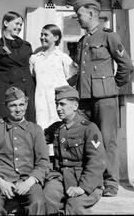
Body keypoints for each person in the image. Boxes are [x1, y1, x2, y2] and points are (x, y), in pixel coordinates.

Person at [72, 0, 134, 197]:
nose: (78, 19)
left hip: (105, 99)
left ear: (91, 14)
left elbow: (126, 65)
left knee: (107, 141)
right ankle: (91, 181)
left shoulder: (109, 36)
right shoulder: (82, 41)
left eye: (79, 15)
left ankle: (111, 184)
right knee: (85, 139)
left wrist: (113, 86)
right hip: (84, 99)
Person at [0, 86, 49, 215]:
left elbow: (43, 162)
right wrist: (0, 182)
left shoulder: (35, 130)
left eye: (21, 104)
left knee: (38, 202)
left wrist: (29, 182)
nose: (18, 109)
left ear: (26, 105)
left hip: (28, 180)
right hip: (0, 181)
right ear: (6, 106)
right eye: (13, 105)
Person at [43, 85, 106, 215]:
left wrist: (83, 188)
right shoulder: (56, 128)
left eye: (62, 104)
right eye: (56, 104)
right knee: (46, 197)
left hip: (86, 182)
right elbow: (35, 139)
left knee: (74, 206)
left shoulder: (89, 128)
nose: (58, 108)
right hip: (61, 178)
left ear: (75, 106)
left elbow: (97, 162)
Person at [29, 24, 77, 130]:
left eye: (46, 35)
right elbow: (33, 78)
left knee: (61, 129)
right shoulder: (34, 58)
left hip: (59, 103)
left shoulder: (63, 58)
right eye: (41, 34)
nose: (42, 37)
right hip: (41, 102)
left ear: (56, 38)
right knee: (42, 131)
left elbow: (73, 79)